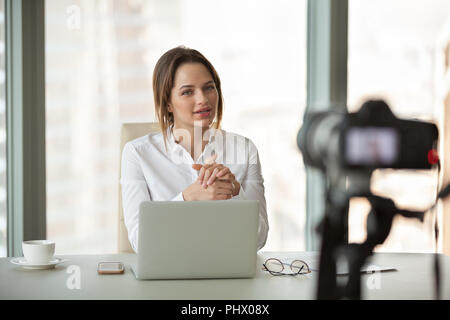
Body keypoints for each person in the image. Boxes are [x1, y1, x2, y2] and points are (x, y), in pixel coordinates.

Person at [120, 46, 269, 253]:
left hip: (227, 274)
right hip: (167, 278)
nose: (203, 99)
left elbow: (259, 239)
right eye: (187, 92)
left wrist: (235, 193)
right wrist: (188, 197)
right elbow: (140, 243)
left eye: (209, 87)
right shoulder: (137, 154)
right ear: (168, 103)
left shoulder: (244, 150)